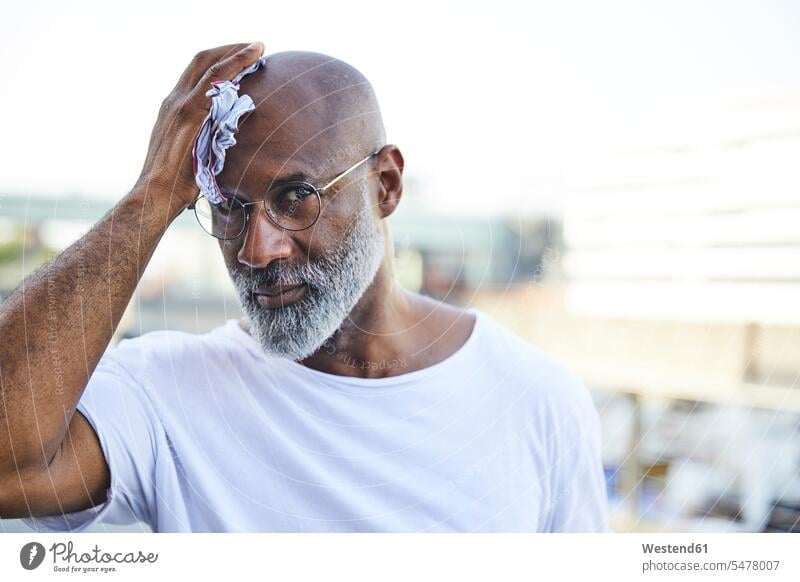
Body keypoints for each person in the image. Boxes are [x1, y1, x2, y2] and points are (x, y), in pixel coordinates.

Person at [0, 43, 609, 532]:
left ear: (387, 186)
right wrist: (153, 194)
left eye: (297, 198)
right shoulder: (167, 395)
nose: (256, 250)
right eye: (229, 208)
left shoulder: (538, 402)